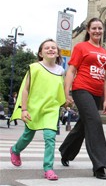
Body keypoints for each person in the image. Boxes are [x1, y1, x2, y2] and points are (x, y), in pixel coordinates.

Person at [58, 17, 106, 180]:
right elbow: (71, 71)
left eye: (100, 28)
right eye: (94, 28)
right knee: (94, 122)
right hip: (81, 89)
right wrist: (67, 92)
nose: (97, 31)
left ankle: (65, 151)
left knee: (83, 125)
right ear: (88, 30)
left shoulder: (104, 52)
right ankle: (99, 165)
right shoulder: (81, 47)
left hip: (96, 93)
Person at [9, 39, 66, 180]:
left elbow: (59, 89)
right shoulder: (34, 67)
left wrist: (65, 100)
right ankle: (15, 150)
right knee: (28, 135)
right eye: (47, 48)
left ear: (58, 52)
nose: (51, 49)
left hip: (51, 109)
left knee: (50, 137)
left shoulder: (61, 70)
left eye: (54, 47)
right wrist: (24, 109)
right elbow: (25, 90)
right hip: (34, 107)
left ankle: (48, 168)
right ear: (41, 53)